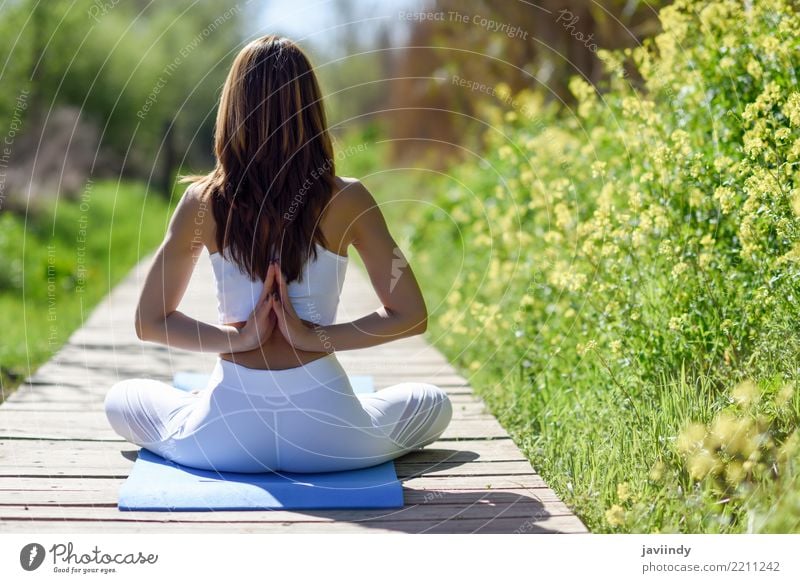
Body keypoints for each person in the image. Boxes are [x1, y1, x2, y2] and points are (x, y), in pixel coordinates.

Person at [103, 34, 452, 474]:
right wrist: (313, 338)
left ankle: (200, 406)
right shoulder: (350, 200)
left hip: (224, 438)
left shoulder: (201, 201)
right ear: (312, 110)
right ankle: (350, 409)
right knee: (433, 401)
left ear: (233, 110)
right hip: (331, 439)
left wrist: (239, 340)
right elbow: (411, 315)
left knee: (123, 399)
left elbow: (148, 322)